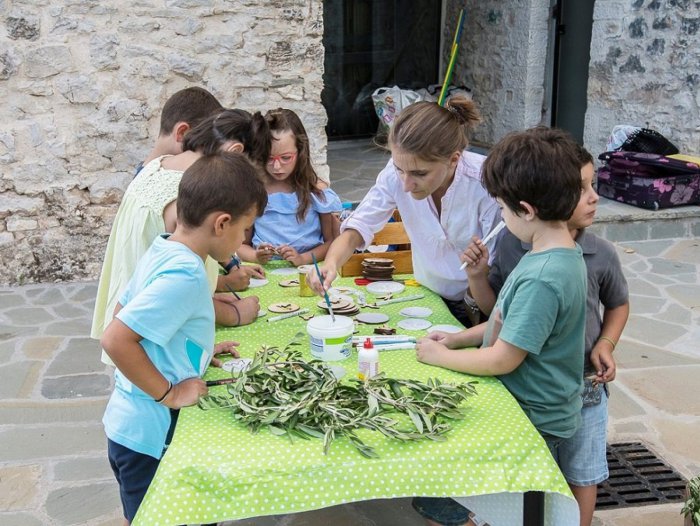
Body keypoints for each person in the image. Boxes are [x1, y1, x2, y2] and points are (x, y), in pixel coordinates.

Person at [411, 127, 588, 526]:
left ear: (526, 210)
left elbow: (504, 358)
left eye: (503, 210)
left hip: (530, 417)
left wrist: (440, 357)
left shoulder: (544, 275)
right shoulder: (554, 253)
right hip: (526, 408)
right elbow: (505, 323)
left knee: (453, 496)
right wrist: (458, 338)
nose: (502, 218)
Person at [461, 142, 630, 526]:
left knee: (581, 474)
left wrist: (606, 342)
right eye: (582, 187)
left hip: (585, 383)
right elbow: (501, 315)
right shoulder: (514, 246)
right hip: (546, 387)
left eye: (591, 185)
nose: (593, 197)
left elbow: (618, 303)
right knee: (539, 483)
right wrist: (476, 277)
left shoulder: (596, 254)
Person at [101, 152, 268, 524]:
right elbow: (116, 339)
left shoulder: (163, 248)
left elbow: (121, 312)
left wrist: (193, 355)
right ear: (222, 223)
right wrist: (170, 393)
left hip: (130, 430)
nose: (244, 238)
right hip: (151, 436)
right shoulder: (187, 275)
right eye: (246, 229)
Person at [91, 109, 271, 366]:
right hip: (147, 351)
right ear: (235, 153)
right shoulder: (194, 199)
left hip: (140, 332)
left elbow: (156, 284)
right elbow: (178, 285)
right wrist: (233, 314)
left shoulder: (156, 166)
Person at [306, 98, 501, 326]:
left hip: (482, 307)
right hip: (429, 297)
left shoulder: (487, 183)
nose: (406, 185)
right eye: (400, 169)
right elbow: (358, 227)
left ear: (453, 159)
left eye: (420, 173)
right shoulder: (396, 174)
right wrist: (330, 263)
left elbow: (496, 270)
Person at [237, 108, 341, 266]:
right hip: (265, 272)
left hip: (308, 269)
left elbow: (332, 243)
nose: (277, 167)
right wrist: (255, 255)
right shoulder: (254, 191)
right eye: (269, 158)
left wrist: (302, 259)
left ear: (300, 151)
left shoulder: (316, 191)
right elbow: (241, 245)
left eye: (285, 158)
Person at [136, 86, 223, 175]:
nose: (206, 154)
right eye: (204, 145)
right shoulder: (168, 181)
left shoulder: (142, 176)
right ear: (182, 133)